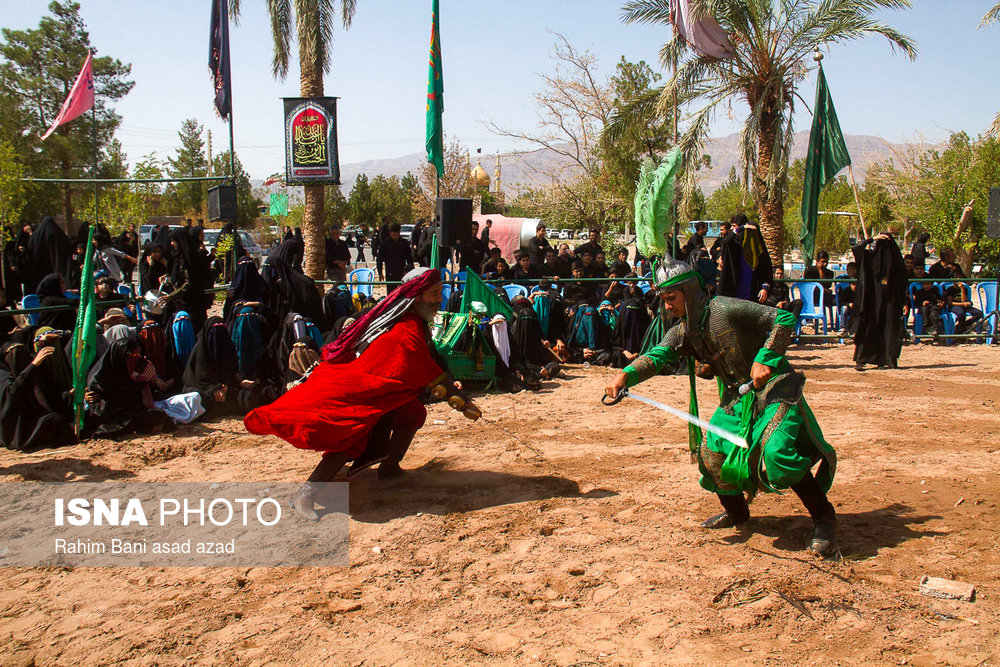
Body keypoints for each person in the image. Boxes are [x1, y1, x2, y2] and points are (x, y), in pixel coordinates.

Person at [604, 257, 838, 557]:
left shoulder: (725, 308)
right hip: (736, 399)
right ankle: (738, 512)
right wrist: (626, 375)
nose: (667, 307)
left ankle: (823, 517)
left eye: (670, 298)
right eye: (663, 301)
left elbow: (784, 318)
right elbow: (659, 355)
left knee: (778, 454)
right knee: (711, 454)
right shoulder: (685, 329)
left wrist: (765, 357)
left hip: (775, 389)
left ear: (688, 291)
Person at [245, 268, 477, 520]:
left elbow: (427, 360)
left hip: (383, 392)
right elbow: (414, 363)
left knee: (412, 413)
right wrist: (459, 400)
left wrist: (450, 385)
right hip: (359, 391)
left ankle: (390, 468)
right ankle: (305, 494)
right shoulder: (404, 326)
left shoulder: (412, 321)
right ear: (416, 296)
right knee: (353, 432)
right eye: (434, 294)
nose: (439, 299)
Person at [85, 336, 174, 437]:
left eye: (138, 354)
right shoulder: (99, 377)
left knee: (157, 416)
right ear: (121, 355)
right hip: (108, 416)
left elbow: (138, 393)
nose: (136, 358)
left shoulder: (133, 366)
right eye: (133, 355)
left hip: (130, 412)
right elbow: (96, 405)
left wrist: (143, 380)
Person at [0, 341, 76, 451]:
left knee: (56, 419)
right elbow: (12, 393)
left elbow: (44, 398)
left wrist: (69, 394)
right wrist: (32, 366)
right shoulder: (3, 376)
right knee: (55, 421)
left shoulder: (27, 376)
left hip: (29, 422)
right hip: (14, 432)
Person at [852, 232, 907, 370]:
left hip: (891, 304)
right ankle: (861, 359)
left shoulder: (896, 265)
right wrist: (872, 239)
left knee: (888, 330)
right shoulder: (870, 260)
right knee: (869, 328)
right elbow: (857, 248)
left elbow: (903, 284)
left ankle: (885, 359)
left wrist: (904, 302)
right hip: (872, 303)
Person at [717, 214, 771, 303]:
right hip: (735, 296)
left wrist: (765, 288)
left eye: (734, 226)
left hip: (754, 297)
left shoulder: (760, 253)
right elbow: (726, 242)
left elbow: (767, 273)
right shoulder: (736, 248)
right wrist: (740, 229)